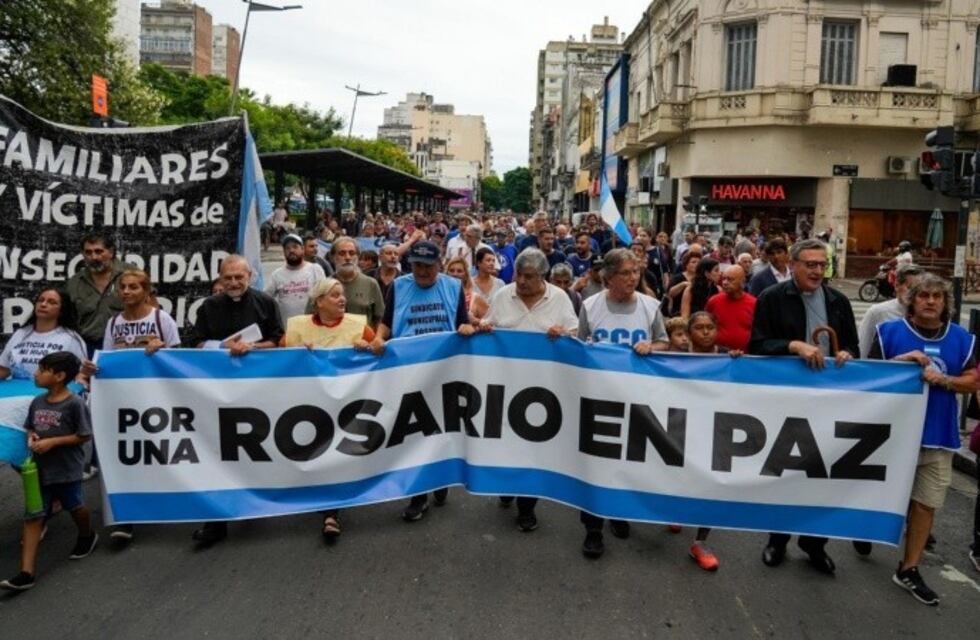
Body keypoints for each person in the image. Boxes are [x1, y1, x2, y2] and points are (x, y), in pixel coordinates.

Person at [749, 238, 858, 575]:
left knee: (823, 473)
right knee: (785, 471)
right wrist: (793, 345)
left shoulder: (838, 301)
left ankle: (814, 542)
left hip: (830, 400)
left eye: (821, 265)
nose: (816, 270)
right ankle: (777, 539)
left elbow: (853, 344)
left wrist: (846, 354)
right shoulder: (771, 298)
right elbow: (758, 344)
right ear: (793, 265)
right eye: (809, 264)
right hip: (788, 399)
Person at [869, 274, 977, 605]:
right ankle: (867, 532)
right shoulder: (889, 333)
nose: (930, 301)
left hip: (938, 436)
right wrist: (899, 364)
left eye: (937, 297)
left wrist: (944, 379)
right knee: (879, 496)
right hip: (892, 436)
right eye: (923, 295)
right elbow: (868, 376)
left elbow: (973, 381)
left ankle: (909, 567)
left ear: (946, 303)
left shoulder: (963, 338)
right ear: (911, 300)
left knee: (925, 504)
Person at [371, 241, 475, 521]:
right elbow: (387, 322)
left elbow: (462, 322)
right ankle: (419, 495)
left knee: (440, 431)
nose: (422, 271)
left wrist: (466, 327)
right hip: (408, 372)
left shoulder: (452, 287)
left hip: (444, 372)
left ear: (439, 265)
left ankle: (438, 480)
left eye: (428, 266)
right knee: (414, 434)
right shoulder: (399, 287)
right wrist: (380, 338)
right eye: (417, 265)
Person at [478, 248, 578, 533]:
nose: (521, 281)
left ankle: (527, 508)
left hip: (542, 390)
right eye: (518, 275)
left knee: (534, 447)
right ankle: (507, 485)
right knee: (506, 443)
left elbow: (576, 333)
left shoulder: (559, 299)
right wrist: (482, 329)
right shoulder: (502, 295)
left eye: (529, 277)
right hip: (505, 387)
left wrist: (564, 333)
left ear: (543, 277)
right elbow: (490, 325)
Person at [187, 255, 284, 546]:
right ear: (220, 278)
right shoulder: (208, 307)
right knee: (219, 452)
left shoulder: (266, 303)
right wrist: (222, 347)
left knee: (255, 448)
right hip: (217, 391)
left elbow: (279, 340)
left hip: (257, 389)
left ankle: (255, 500)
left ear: (250, 276)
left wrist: (253, 347)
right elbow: (196, 343)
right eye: (227, 277)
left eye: (238, 277)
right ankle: (216, 522)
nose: (233, 283)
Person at [577, 249, 668, 558]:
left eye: (635, 272)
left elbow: (665, 342)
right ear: (609, 277)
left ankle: (619, 512)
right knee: (595, 464)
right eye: (626, 273)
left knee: (627, 463)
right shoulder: (590, 307)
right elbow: (579, 347)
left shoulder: (650, 306)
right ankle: (592, 528)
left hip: (637, 400)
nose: (633, 278)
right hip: (598, 399)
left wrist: (652, 346)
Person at [282, 277, 379, 542]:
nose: (342, 299)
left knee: (335, 455)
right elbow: (275, 362)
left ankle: (330, 513)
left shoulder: (357, 325)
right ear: (319, 301)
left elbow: (381, 352)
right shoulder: (297, 328)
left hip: (347, 405)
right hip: (310, 405)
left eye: (343, 295)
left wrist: (368, 347)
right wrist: (295, 353)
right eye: (335, 295)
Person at [0, 352, 96, 592]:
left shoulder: (74, 403)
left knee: (75, 506)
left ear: (59, 376)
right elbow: (30, 426)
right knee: (33, 515)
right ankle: (26, 572)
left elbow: (83, 435)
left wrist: (53, 443)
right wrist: (32, 435)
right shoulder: (37, 401)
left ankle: (87, 534)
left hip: (66, 469)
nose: (35, 373)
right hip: (39, 470)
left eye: (42, 370)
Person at [97, 269, 181, 544]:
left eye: (134, 287)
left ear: (146, 291)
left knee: (159, 452)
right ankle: (128, 518)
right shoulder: (113, 324)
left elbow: (179, 358)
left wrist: (162, 349)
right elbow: (106, 360)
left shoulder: (160, 318)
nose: (127, 292)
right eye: (123, 287)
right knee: (127, 456)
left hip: (156, 399)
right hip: (123, 401)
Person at [682, 310, 744, 570]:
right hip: (682, 429)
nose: (706, 332)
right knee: (679, 477)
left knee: (712, 484)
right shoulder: (674, 359)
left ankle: (700, 542)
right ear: (688, 334)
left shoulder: (729, 357)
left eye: (710, 327)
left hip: (717, 431)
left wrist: (740, 364)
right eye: (699, 328)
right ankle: (676, 511)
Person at [65, 232, 129, 357]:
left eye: (99, 251)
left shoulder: (132, 275)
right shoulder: (74, 283)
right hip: (87, 347)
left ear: (111, 252)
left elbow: (152, 310)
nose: (93, 257)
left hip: (124, 344)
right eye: (88, 252)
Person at [0, 289, 87, 381]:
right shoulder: (21, 333)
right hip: (18, 394)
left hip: (53, 394)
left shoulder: (71, 338)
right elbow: (4, 369)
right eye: (41, 300)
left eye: (52, 302)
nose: (43, 304)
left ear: (62, 310)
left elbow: (81, 374)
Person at [857, 264, 924, 358]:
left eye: (918, 290)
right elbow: (862, 349)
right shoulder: (878, 312)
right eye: (909, 288)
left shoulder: (927, 314)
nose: (913, 294)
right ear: (897, 285)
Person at [266, 233, 327, 324]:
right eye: (287, 248)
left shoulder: (315, 269)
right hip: (288, 330)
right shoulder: (277, 275)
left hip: (313, 327)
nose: (291, 250)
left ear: (302, 249)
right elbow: (266, 299)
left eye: (295, 247)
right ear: (284, 252)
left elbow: (325, 297)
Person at [331, 237, 385, 329]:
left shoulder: (371, 284)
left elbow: (380, 318)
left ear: (357, 257)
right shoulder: (324, 286)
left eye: (352, 253)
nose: (347, 257)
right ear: (333, 257)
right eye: (342, 253)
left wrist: (376, 338)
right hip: (333, 342)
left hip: (364, 341)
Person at [705, 265, 757, 352]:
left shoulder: (754, 303)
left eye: (730, 279)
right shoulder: (714, 301)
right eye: (724, 279)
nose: (725, 282)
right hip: (719, 356)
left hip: (746, 357)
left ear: (742, 281)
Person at [446, 256, 489, 321]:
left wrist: (475, 321)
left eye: (459, 271)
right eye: (451, 271)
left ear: (466, 275)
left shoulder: (475, 298)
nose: (455, 274)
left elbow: (490, 323)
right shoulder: (440, 295)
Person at [666, 252, 700, 317]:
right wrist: (683, 284)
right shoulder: (678, 277)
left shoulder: (700, 279)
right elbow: (670, 293)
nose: (696, 264)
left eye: (698, 262)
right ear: (686, 264)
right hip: (678, 312)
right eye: (693, 262)